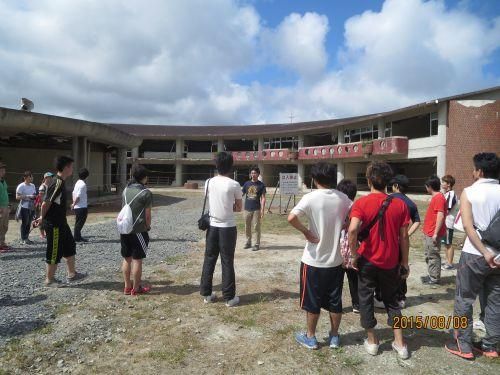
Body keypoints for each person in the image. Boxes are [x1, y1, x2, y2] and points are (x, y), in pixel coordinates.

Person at [348, 161, 410, 360]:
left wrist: (354, 254)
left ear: (368, 180)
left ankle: (373, 341)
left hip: (367, 259)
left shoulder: (361, 203)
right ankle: (400, 343)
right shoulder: (400, 204)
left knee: (365, 298)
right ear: (388, 182)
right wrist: (405, 262)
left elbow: (352, 229)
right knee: (393, 300)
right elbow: (404, 237)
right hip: (391, 261)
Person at [288, 163, 352, 350]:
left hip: (313, 260)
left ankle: (311, 337)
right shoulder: (344, 198)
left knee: (312, 300)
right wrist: (344, 225)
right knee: (335, 300)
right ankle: (334, 336)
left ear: (314, 179)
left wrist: (306, 232)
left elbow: (291, 217)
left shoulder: (310, 197)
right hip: (336, 260)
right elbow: (354, 219)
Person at [445, 152, 500, 360]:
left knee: (464, 299)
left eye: (474, 169)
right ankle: (490, 346)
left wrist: (485, 252)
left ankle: (464, 344)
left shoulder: (469, 192)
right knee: (496, 301)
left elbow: (467, 226)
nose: (472, 172)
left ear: (480, 171)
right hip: (499, 257)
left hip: (475, 254)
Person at [33, 156, 87, 287]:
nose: (72, 169)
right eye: (71, 166)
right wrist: (41, 217)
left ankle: (72, 274)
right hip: (54, 224)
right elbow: (46, 203)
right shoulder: (56, 182)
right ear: (66, 167)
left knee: (70, 245)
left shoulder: (61, 182)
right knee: (54, 250)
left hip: (61, 222)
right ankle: (49, 280)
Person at [200, 152, 242, 307]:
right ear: (231, 166)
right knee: (227, 261)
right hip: (228, 228)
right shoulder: (234, 184)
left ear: (216, 165)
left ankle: (206, 294)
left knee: (209, 259)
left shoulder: (208, 182)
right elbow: (239, 208)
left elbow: (210, 199)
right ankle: (229, 298)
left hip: (212, 226)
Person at [374, 174, 420, 309]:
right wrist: (407, 234)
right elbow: (417, 221)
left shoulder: (388, 200)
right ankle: (400, 298)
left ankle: (380, 297)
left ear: (396, 186)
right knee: (401, 268)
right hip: (402, 242)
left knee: (384, 269)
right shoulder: (411, 203)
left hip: (387, 241)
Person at [120, 164, 153, 296]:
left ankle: (127, 287)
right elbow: (148, 215)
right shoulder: (146, 193)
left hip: (125, 229)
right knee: (137, 259)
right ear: (144, 177)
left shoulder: (125, 190)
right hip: (138, 230)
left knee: (127, 258)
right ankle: (136, 287)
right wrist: (147, 226)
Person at [336, 179, 359, 313]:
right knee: (354, 278)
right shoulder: (356, 206)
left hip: (338, 247)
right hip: (352, 246)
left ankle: (336, 304)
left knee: (337, 280)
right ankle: (357, 304)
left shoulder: (337, 207)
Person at [421, 175, 446, 285]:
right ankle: (432, 275)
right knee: (429, 254)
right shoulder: (436, 197)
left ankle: (434, 278)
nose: (426, 188)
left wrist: (435, 233)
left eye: (426, 186)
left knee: (433, 255)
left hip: (433, 233)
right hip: (429, 232)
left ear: (430, 187)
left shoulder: (439, 198)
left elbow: (440, 215)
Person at [242, 167, 266, 251]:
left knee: (256, 227)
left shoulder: (261, 185)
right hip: (247, 209)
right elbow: (241, 194)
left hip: (256, 209)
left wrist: (262, 210)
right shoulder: (246, 184)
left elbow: (263, 198)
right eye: (252, 173)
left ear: (258, 174)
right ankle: (248, 242)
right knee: (247, 226)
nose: (253, 174)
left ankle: (257, 244)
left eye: (255, 173)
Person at [441, 175, 458, 270]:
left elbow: (447, 209)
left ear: (448, 184)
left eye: (444, 182)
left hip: (448, 222)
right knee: (445, 243)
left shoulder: (451, 194)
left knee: (449, 243)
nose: (442, 183)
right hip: (445, 222)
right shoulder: (446, 194)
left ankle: (450, 263)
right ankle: (447, 261)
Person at [16, 171, 36, 245]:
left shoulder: (33, 185)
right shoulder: (21, 186)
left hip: (31, 207)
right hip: (24, 207)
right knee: (25, 222)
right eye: (30, 176)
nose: (32, 178)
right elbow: (17, 197)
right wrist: (27, 196)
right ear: (25, 178)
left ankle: (26, 238)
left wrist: (34, 196)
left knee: (29, 223)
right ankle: (23, 238)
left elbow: (34, 194)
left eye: (32, 176)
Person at [72, 168, 89, 242]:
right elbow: (78, 196)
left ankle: (78, 236)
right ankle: (77, 237)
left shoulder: (77, 183)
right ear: (86, 176)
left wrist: (74, 203)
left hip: (78, 206)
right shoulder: (83, 184)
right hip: (82, 206)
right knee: (80, 222)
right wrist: (73, 204)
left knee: (78, 222)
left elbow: (73, 193)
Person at [37, 172, 54, 239]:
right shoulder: (42, 186)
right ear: (45, 178)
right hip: (42, 205)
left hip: (48, 205)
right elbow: (40, 197)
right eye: (49, 177)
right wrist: (42, 205)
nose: (51, 178)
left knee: (47, 219)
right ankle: (42, 234)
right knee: (42, 218)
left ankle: (47, 232)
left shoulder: (50, 186)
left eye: (51, 177)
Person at [0, 161, 12, 252]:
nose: (4, 171)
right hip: (0, 207)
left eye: (4, 170)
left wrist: (8, 205)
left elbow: (5, 193)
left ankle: (2, 243)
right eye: (2, 170)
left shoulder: (3, 181)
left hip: (5, 206)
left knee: (5, 226)